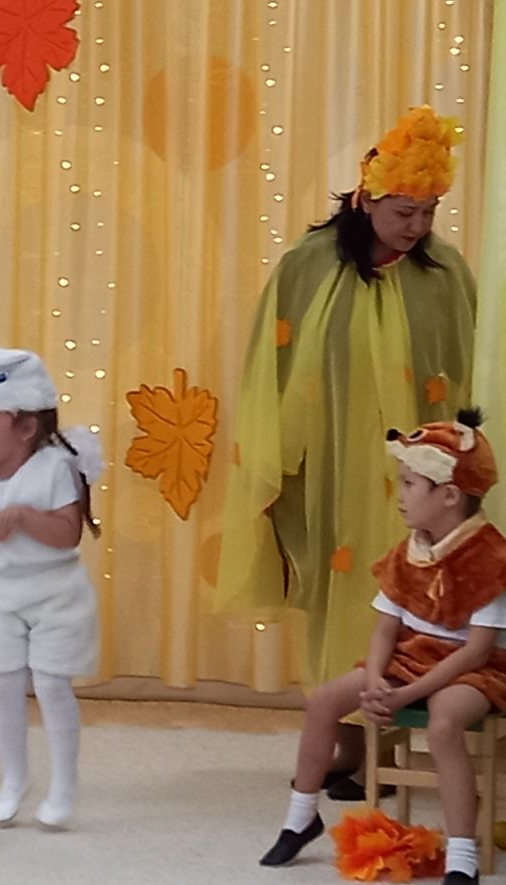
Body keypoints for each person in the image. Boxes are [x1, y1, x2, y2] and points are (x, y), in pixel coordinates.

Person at [217, 105, 476, 797]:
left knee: (402, 604)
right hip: (333, 468)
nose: (417, 226)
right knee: (342, 601)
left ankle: (382, 747)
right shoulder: (308, 267)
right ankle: (347, 743)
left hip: (418, 481)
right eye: (405, 212)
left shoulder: (445, 273)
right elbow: (270, 365)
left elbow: (463, 371)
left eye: (429, 212)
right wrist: (275, 459)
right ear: (367, 198)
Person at [260, 411, 506, 885]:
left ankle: (461, 857)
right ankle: (300, 817)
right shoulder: (407, 552)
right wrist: (375, 679)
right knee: (324, 701)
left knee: (444, 723)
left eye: (411, 483)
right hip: (411, 660)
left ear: (449, 495)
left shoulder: (490, 557)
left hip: (474, 670)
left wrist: (407, 693)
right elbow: (385, 629)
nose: (401, 494)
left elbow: (478, 649)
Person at [0, 347, 102, 828]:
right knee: (5, 682)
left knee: (53, 683)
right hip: (1, 595)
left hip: (57, 595)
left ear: (25, 427)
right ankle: (14, 778)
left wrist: (21, 517)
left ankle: (63, 785)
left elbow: (67, 533)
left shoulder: (54, 467)